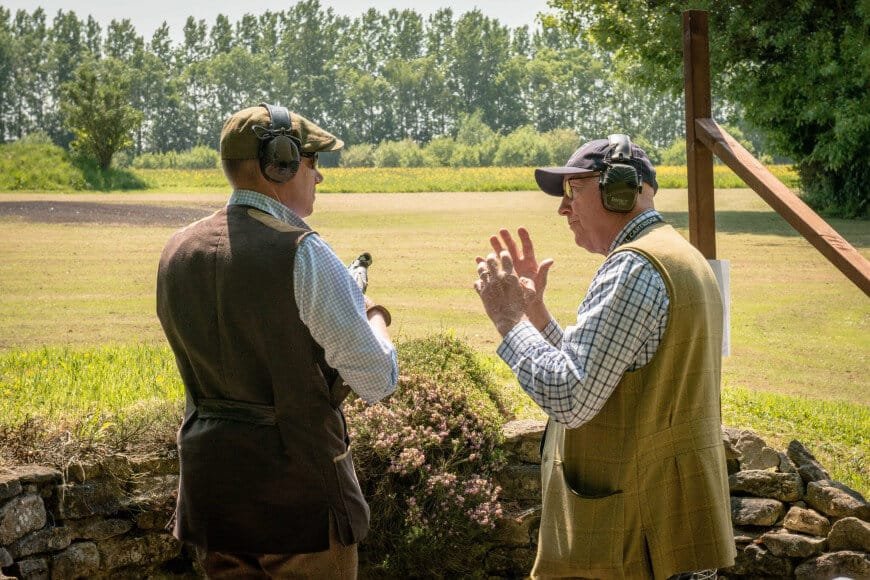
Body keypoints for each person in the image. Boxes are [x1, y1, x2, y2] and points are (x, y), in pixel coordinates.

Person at [474, 135, 735, 579]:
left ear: (619, 189)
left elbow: (570, 396)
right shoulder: (675, 255)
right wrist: (536, 313)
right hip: (672, 530)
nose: (563, 207)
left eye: (573, 190)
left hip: (637, 540)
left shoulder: (633, 267)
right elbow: (607, 369)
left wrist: (508, 319)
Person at [156, 103, 397, 578]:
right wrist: (372, 313)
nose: (318, 177)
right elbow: (377, 379)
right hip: (299, 502)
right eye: (311, 161)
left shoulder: (176, 250)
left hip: (213, 498)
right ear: (280, 163)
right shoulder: (305, 252)